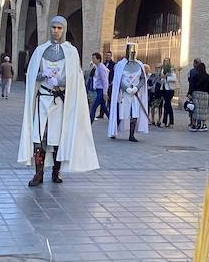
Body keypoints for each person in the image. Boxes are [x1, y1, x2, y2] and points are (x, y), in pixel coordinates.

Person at [17, 15, 98, 186]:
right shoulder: (41, 50)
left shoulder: (71, 51)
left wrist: (59, 82)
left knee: (58, 137)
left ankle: (56, 172)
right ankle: (38, 174)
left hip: (60, 101)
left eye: (59, 28)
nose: (56, 31)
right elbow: (32, 74)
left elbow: (74, 78)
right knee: (39, 137)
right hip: (43, 99)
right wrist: (43, 75)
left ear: (64, 29)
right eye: (53, 27)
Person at [108, 43, 148, 143]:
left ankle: (131, 134)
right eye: (130, 52)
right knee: (120, 113)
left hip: (135, 94)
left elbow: (143, 79)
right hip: (123, 94)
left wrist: (136, 88)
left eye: (134, 52)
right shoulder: (120, 65)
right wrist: (126, 88)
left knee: (134, 113)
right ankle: (114, 130)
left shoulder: (139, 65)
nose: (132, 54)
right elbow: (118, 80)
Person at [187, 59, 209, 130]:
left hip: (196, 94)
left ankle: (193, 125)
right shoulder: (208, 77)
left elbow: (191, 85)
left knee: (195, 110)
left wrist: (189, 93)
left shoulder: (195, 76)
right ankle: (203, 125)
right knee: (203, 110)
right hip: (205, 95)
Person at [88, 53, 110, 122]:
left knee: (94, 107)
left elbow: (105, 81)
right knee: (104, 107)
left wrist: (105, 93)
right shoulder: (97, 67)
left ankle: (90, 123)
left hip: (101, 90)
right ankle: (114, 121)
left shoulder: (101, 67)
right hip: (98, 89)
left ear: (98, 59)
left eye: (94, 58)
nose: (93, 60)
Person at [159, 59, 177, 128]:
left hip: (169, 89)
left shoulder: (171, 69)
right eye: (164, 61)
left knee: (166, 105)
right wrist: (162, 78)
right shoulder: (162, 69)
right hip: (164, 88)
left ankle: (164, 122)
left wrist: (166, 77)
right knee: (168, 105)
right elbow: (161, 78)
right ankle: (171, 122)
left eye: (167, 61)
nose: (165, 62)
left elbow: (174, 78)